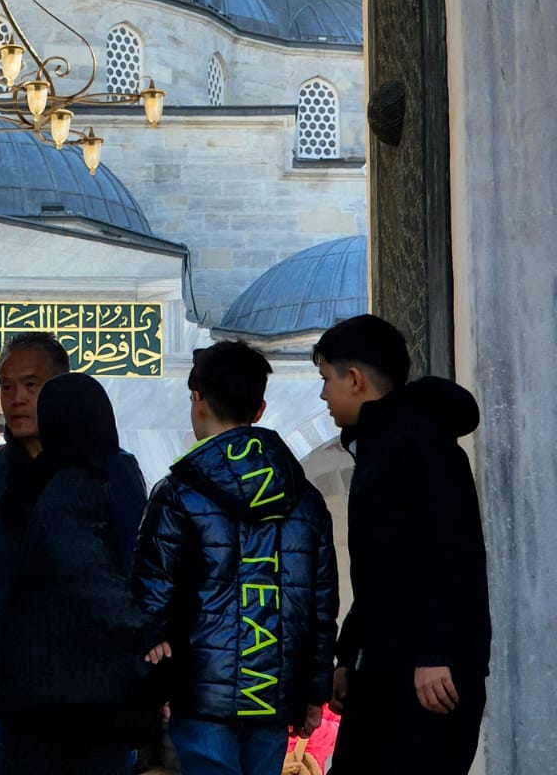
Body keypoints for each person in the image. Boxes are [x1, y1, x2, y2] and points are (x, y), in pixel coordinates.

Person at [0, 333, 146, 775]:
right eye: (7, 387)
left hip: (97, 692)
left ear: (62, 389)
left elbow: (137, 568)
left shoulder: (111, 470)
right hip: (6, 691)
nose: (17, 399)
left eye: (31, 385)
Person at [132, 339, 338, 775]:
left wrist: (152, 669)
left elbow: (151, 596)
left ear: (197, 399)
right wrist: (314, 692)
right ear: (260, 409)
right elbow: (321, 610)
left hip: (200, 691)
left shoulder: (177, 494)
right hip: (274, 695)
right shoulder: (306, 501)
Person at [313, 314, 491, 775]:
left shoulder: (421, 444)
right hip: (383, 670)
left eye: (326, 379)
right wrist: (349, 658)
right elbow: (380, 571)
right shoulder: (378, 443)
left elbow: (453, 554)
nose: (323, 395)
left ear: (354, 379)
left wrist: (435, 654)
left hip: (428, 676)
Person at [0, 372, 155, 775]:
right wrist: (147, 631)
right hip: (88, 689)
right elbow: (91, 572)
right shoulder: (91, 477)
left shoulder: (33, 479)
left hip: (35, 688)